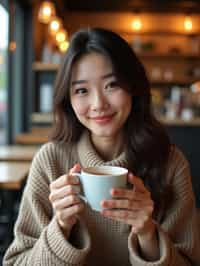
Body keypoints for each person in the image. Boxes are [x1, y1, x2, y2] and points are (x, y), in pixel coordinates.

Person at [3, 28, 200, 266]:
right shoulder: (51, 161)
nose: (98, 104)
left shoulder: (170, 164)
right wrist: (62, 226)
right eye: (82, 90)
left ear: (133, 87)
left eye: (112, 85)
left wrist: (147, 233)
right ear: (69, 99)